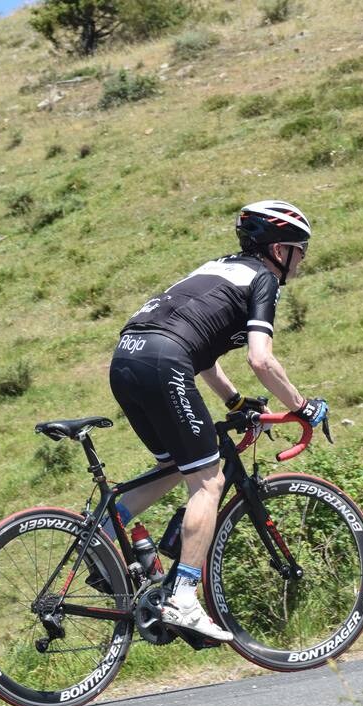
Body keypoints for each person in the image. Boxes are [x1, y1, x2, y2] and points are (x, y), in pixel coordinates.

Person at [106, 200, 329, 643]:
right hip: (165, 360)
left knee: (176, 465)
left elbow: (201, 352)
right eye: (299, 250)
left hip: (126, 357)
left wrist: (234, 400)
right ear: (280, 250)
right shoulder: (263, 279)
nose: (302, 260)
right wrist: (301, 405)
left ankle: (101, 538)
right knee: (209, 481)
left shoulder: (215, 268)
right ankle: (184, 598)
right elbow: (261, 359)